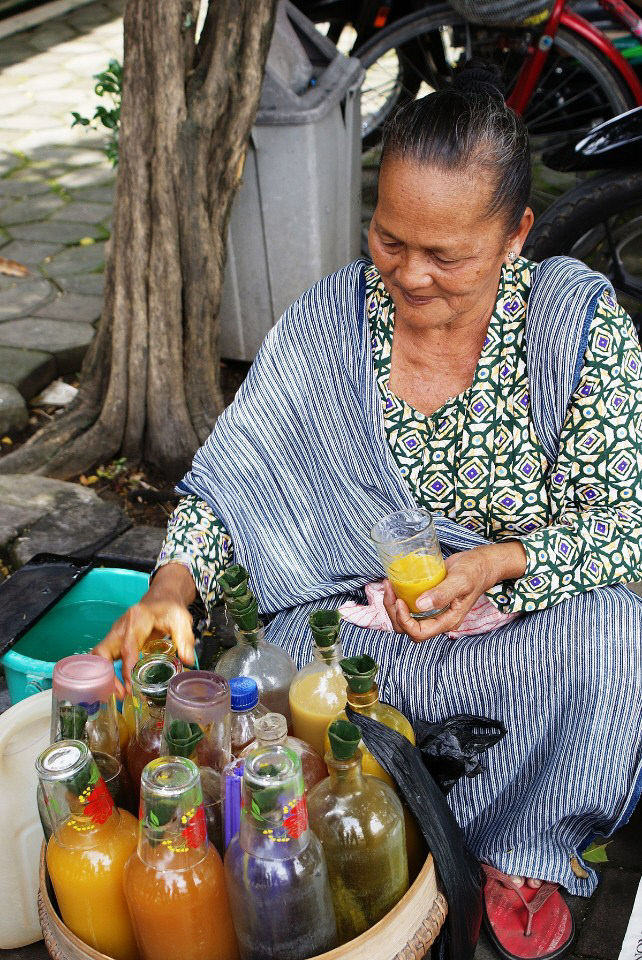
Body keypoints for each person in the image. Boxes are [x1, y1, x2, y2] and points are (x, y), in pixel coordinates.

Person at [96, 63, 642, 960]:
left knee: (618, 637)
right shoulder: (329, 323)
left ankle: (517, 846)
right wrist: (170, 585)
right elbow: (235, 477)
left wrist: (492, 565)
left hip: (514, 645)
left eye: (448, 256)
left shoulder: (573, 331)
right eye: (390, 241)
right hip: (350, 641)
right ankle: (367, 814)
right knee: (266, 682)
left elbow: (619, 525)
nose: (411, 277)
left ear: (516, 236)